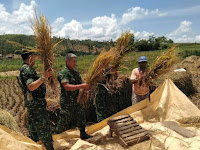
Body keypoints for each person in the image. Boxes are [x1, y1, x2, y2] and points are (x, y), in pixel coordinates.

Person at [19, 50, 54, 150]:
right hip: (36, 104)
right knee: (44, 127)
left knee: (33, 128)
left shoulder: (28, 68)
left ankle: (34, 146)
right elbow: (31, 86)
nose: (35, 59)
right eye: (34, 56)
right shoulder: (26, 69)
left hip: (34, 103)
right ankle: (49, 147)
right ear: (30, 57)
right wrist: (44, 77)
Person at [56, 53, 91, 139]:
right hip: (67, 102)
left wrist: (86, 87)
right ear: (67, 61)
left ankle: (83, 134)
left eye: (76, 61)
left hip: (76, 100)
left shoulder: (76, 73)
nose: (75, 63)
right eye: (73, 61)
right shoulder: (63, 73)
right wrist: (82, 86)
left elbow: (81, 84)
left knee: (81, 116)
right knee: (65, 119)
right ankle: (56, 135)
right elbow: (67, 87)